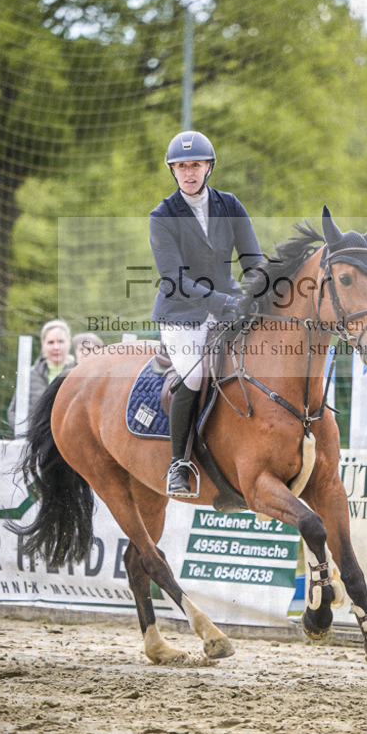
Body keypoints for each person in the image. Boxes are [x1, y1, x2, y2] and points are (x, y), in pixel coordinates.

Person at [150, 130, 263, 498]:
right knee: (197, 374)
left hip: (227, 304)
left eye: (195, 165)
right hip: (181, 312)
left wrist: (263, 292)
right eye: (181, 167)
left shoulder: (230, 204)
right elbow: (175, 279)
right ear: (173, 171)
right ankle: (178, 464)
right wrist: (222, 303)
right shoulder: (163, 216)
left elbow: (252, 260)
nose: (188, 173)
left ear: (208, 167)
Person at [7, 319, 75, 431]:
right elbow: (13, 411)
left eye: (61, 341)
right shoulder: (29, 375)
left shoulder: (79, 375)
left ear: (69, 342)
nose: (56, 347)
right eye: (51, 342)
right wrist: (30, 433)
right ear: (43, 344)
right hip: (36, 441)